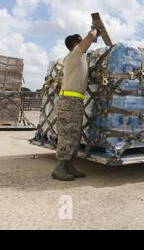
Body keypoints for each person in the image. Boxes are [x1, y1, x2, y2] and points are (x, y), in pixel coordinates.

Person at [51, 28, 100, 181]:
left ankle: (70, 165)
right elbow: (91, 36)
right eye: (80, 40)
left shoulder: (81, 59)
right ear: (75, 44)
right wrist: (95, 28)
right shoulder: (75, 55)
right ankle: (59, 168)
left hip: (76, 101)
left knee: (75, 135)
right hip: (68, 102)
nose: (83, 41)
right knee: (67, 135)